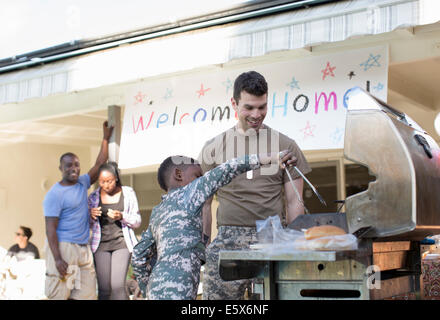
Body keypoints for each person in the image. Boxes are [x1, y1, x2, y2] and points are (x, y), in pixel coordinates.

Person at [198, 71, 312, 300]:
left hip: (272, 238)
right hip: (228, 240)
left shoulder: (286, 146)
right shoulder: (213, 147)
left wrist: (295, 246)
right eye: (249, 107)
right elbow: (204, 203)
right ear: (234, 103)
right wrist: (204, 245)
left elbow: (294, 202)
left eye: (262, 107)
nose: (256, 114)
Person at [132, 151, 297, 300]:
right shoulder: (189, 193)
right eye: (198, 176)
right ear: (178, 174)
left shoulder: (158, 212)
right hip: (177, 289)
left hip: (156, 289)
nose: (201, 180)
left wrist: (147, 288)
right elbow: (226, 169)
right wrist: (271, 158)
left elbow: (139, 255)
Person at [42, 121, 113, 300]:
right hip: (63, 248)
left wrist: (105, 138)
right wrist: (57, 258)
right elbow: (50, 229)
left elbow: (99, 163)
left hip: (83, 249)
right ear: (61, 169)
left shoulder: (82, 183)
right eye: (68, 165)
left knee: (86, 295)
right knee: (59, 294)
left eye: (76, 164)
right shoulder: (55, 194)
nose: (73, 168)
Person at [88, 161, 141, 300]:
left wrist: (122, 216)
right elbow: (86, 225)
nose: (106, 185)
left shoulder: (128, 193)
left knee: (117, 285)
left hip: (122, 243)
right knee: (104, 288)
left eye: (109, 181)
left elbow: (137, 221)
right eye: (102, 182)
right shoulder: (93, 197)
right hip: (100, 245)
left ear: (116, 178)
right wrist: (90, 216)